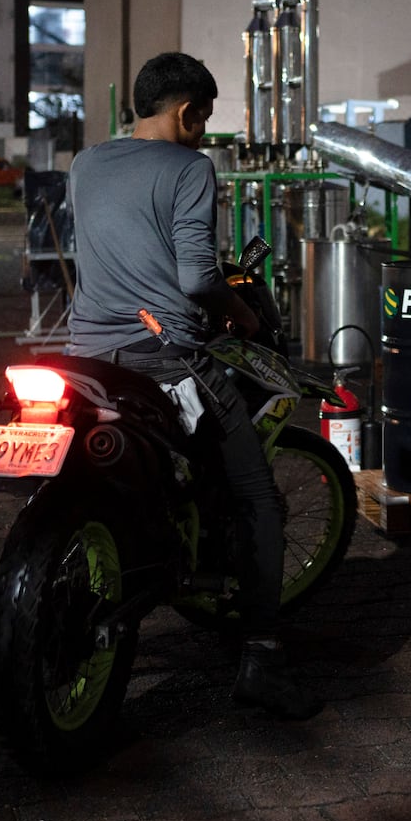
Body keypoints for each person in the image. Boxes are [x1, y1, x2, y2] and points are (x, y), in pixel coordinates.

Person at [68, 52, 322, 720]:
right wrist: (239, 313)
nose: (204, 132)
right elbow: (196, 279)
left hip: (85, 360)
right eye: (203, 119)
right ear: (186, 112)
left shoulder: (85, 163)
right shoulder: (190, 168)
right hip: (164, 357)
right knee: (257, 495)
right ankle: (263, 655)